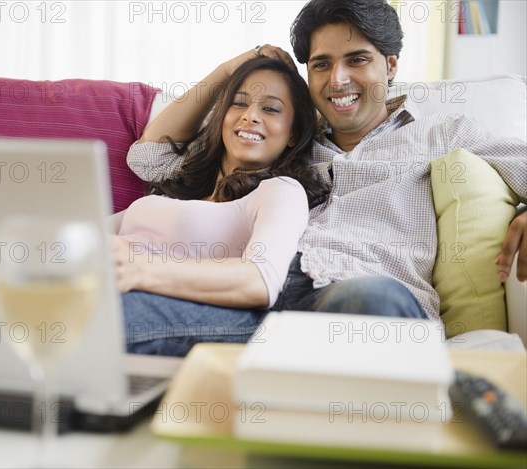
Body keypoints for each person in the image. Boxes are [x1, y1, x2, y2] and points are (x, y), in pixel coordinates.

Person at [126, 0, 527, 356]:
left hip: (361, 302)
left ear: (389, 65)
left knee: (375, 302)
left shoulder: (442, 132)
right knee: (118, 315)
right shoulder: (286, 135)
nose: (337, 79)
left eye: (356, 60)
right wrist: (236, 67)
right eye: (321, 64)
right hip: (260, 301)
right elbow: (150, 159)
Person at [112, 56, 327, 355]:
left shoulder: (281, 191)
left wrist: (140, 268)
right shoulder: (174, 190)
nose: (251, 115)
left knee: (100, 314)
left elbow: (260, 280)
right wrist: (227, 70)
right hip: (97, 280)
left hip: (141, 299)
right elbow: (147, 157)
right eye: (239, 103)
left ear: (293, 133)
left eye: (270, 108)